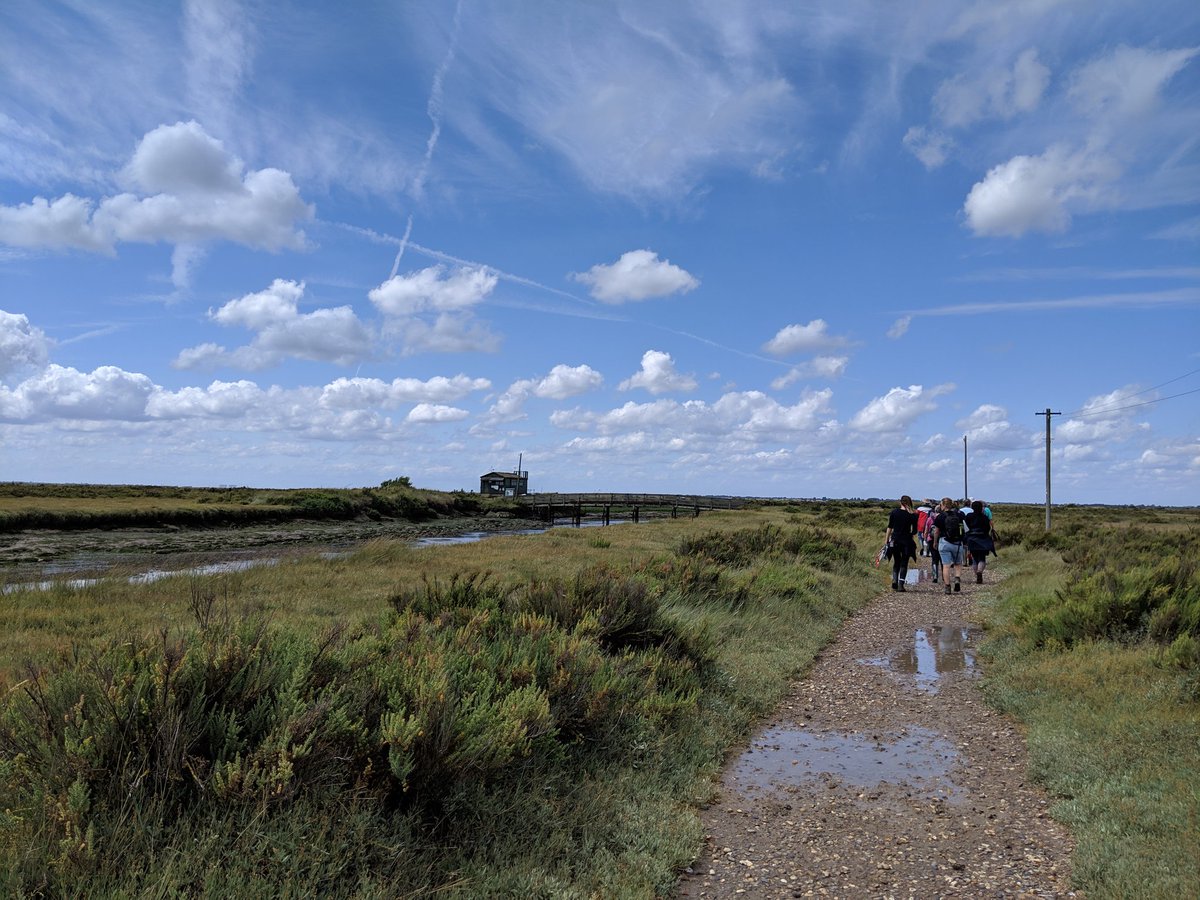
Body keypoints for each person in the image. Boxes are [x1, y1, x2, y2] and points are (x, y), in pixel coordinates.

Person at [885, 495, 919, 591]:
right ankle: (901, 584)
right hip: (907, 541)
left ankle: (894, 580)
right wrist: (910, 534)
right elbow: (915, 531)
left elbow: (890, 527)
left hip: (895, 539)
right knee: (904, 562)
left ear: (901, 502)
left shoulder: (894, 512)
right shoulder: (913, 515)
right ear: (910, 503)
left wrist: (886, 540)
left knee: (896, 561)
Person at [933, 496, 966, 594]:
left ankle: (947, 587)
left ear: (942, 505)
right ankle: (957, 578)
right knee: (958, 563)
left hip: (944, 542)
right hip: (957, 543)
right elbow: (964, 528)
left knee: (946, 566)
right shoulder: (959, 515)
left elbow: (936, 531)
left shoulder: (940, 517)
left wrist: (935, 542)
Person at [964, 499, 996, 584]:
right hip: (983, 539)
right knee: (982, 558)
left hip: (972, 538)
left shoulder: (969, 516)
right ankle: (980, 572)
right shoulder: (985, 517)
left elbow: (966, 527)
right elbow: (988, 528)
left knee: (974, 558)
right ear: (981, 508)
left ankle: (977, 575)